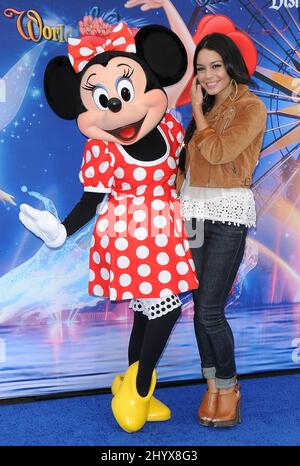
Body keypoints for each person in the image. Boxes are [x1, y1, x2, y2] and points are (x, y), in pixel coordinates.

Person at [19, 12, 198, 433]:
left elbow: (182, 163)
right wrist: (61, 230)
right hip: (128, 235)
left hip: (166, 228)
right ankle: (137, 389)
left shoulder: (170, 128)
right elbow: (90, 200)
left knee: (148, 313)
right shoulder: (104, 151)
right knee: (165, 310)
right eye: (101, 98)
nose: (116, 104)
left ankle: (137, 387)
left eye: (123, 88)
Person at [176, 30, 267, 428]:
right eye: (201, 69)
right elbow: (190, 166)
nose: (208, 75)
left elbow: (216, 151)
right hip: (193, 213)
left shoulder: (252, 106)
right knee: (199, 308)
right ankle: (211, 385)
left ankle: (229, 386)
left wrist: (196, 112)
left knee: (211, 310)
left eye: (215, 66)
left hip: (227, 214)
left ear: (231, 66)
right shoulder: (208, 109)